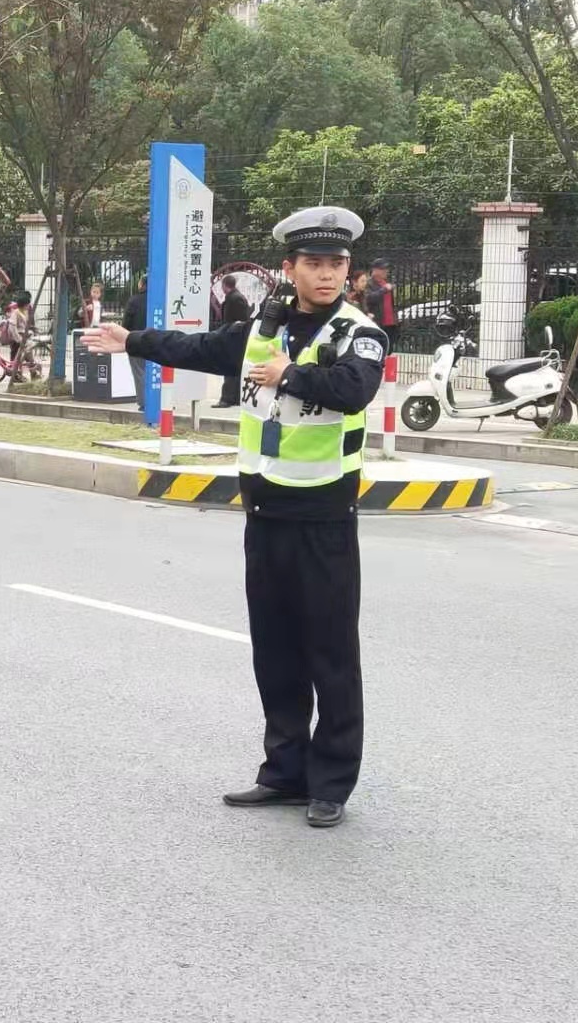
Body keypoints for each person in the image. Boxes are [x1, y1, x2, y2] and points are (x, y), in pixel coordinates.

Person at [81, 206, 388, 829]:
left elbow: (354, 389)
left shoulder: (359, 333)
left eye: (336, 264)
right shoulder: (263, 330)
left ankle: (330, 783)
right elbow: (198, 347)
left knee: (330, 653)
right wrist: (131, 340)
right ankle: (283, 773)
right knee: (275, 651)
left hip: (324, 514)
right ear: (290, 269)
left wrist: (291, 375)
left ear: (348, 270)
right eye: (313, 264)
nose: (326, 274)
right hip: (265, 510)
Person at [215, 274, 251, 408]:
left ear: (225, 285)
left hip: (234, 337)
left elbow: (241, 319)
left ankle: (227, 399)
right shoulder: (234, 297)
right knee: (234, 368)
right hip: (234, 336)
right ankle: (234, 398)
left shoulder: (235, 299)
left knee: (229, 368)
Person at [365, 258, 398, 347]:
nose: (386, 271)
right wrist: (384, 290)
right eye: (383, 269)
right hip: (378, 322)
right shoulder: (369, 283)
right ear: (374, 270)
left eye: (386, 269)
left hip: (391, 323)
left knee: (389, 348)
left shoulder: (387, 283)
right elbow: (369, 298)